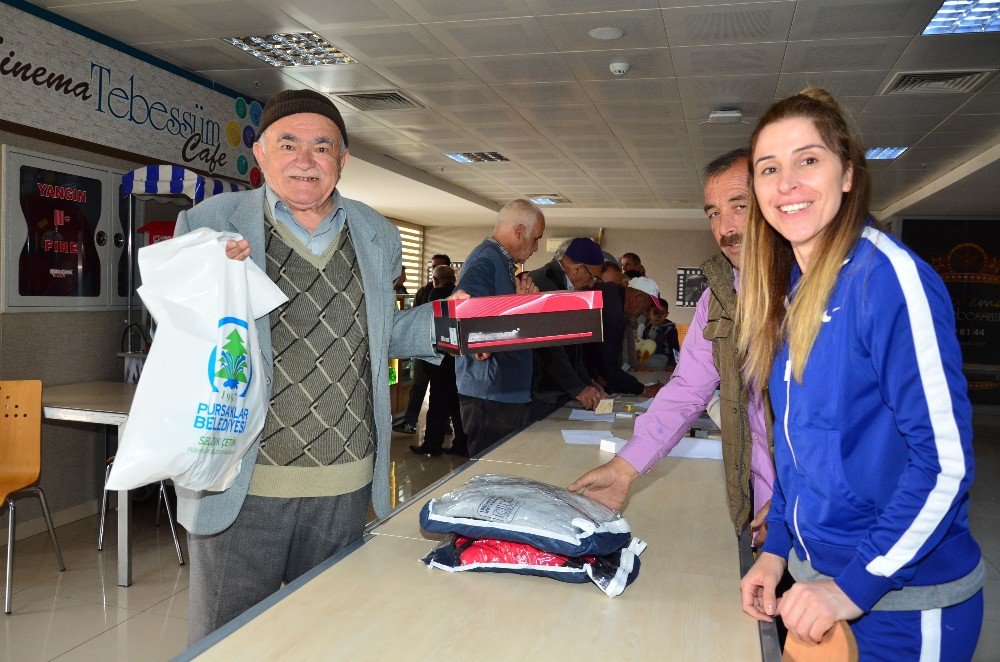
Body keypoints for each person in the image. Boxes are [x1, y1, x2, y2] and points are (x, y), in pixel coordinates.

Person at [172, 89, 455, 643]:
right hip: (241, 482)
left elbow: (378, 334)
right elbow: (180, 332)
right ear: (260, 153)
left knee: (327, 641)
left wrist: (448, 324)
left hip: (343, 485)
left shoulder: (376, 233)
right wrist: (209, 283)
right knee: (227, 643)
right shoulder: (209, 223)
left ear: (342, 160)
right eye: (288, 144)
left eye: (322, 147)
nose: (305, 159)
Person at [737, 88, 983, 658]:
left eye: (808, 160)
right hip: (819, 589)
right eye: (769, 168)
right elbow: (799, 448)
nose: (787, 183)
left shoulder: (890, 279)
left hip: (900, 603)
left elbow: (944, 464)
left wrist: (852, 587)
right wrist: (776, 553)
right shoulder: (792, 292)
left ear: (847, 174)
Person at [570, 148, 776, 552]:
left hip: (835, 513)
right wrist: (625, 468)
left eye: (740, 206)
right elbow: (687, 390)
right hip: (765, 502)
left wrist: (798, 502)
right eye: (714, 213)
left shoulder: (824, 288)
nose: (726, 227)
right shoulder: (717, 297)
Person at [455, 199, 545, 456]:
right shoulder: (487, 259)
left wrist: (520, 303)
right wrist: (478, 343)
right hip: (491, 391)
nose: (536, 247)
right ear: (519, 231)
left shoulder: (500, 262)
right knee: (491, 474)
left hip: (504, 388)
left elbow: (496, 313)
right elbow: (464, 305)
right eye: (535, 238)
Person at [527, 237, 608, 420]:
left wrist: (587, 382)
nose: (591, 284)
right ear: (577, 268)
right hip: (540, 390)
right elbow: (550, 347)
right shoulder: (543, 284)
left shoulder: (564, 286)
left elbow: (572, 345)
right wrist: (578, 388)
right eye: (593, 277)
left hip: (554, 388)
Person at [409, 265, 468, 457]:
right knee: (456, 405)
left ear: (436, 280)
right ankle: (461, 443)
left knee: (437, 404)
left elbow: (430, 323)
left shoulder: (436, 294)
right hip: (458, 360)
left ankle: (432, 444)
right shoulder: (460, 293)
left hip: (440, 359)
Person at [393, 253, 452, 435]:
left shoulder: (445, 292)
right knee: (419, 386)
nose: (433, 270)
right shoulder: (423, 291)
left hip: (442, 349)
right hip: (423, 345)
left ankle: (442, 426)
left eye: (438, 266)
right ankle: (411, 421)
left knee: (440, 391)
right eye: (432, 266)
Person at [584, 276, 665, 398]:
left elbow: (594, 349)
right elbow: (608, 366)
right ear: (636, 297)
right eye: (647, 308)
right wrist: (644, 390)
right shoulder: (614, 312)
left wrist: (594, 375)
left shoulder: (611, 291)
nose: (645, 314)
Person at [636, 297, 679, 370]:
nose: (658, 316)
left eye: (662, 313)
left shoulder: (670, 330)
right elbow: (642, 344)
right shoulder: (647, 328)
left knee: (659, 361)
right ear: (649, 312)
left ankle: (647, 367)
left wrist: (673, 364)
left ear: (666, 314)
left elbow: (675, 349)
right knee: (635, 361)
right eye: (655, 312)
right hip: (647, 356)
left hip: (662, 357)